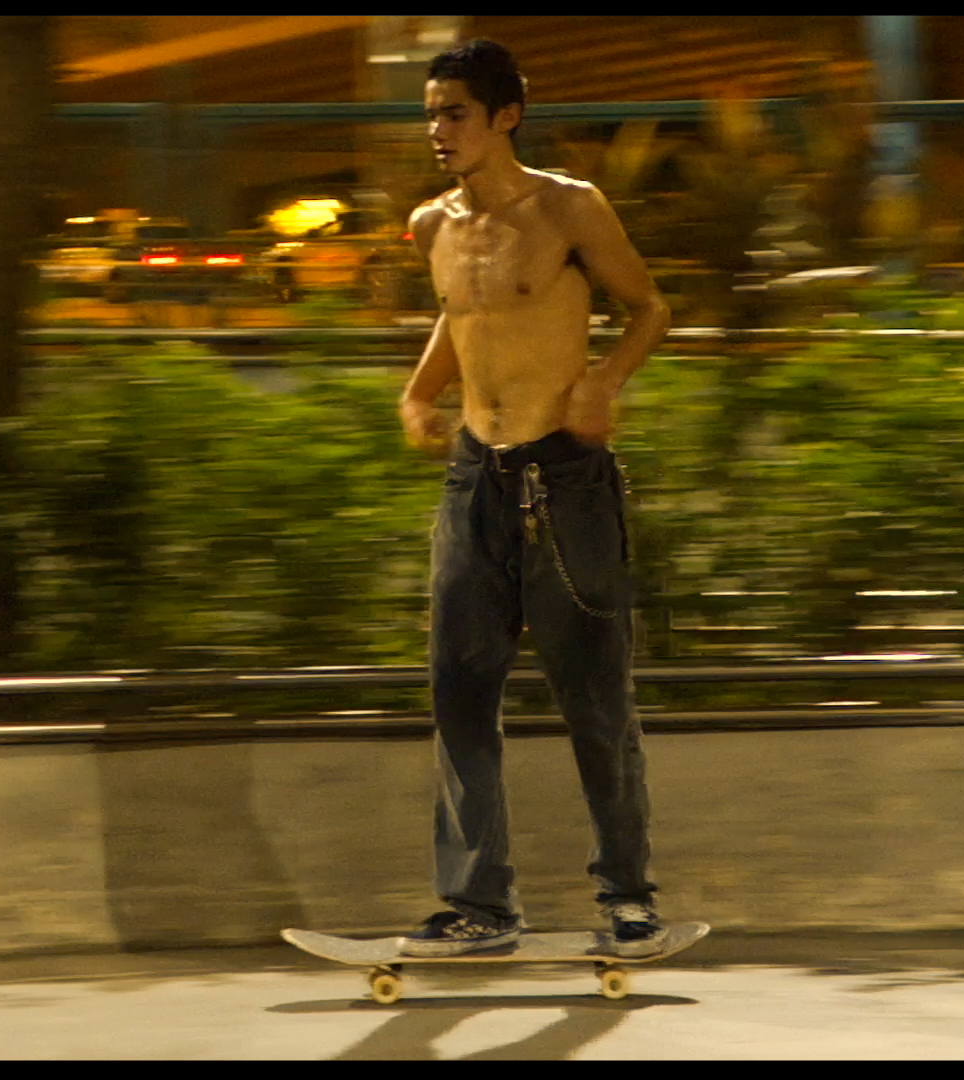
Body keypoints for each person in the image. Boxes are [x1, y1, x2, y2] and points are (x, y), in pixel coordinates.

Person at [394, 39, 676, 959]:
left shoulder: (568, 208)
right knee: (460, 693)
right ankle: (480, 902)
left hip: (565, 477)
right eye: (432, 113)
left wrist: (605, 383)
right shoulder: (431, 226)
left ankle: (629, 897)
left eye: (455, 113)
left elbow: (648, 307)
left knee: (593, 695)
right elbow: (464, 314)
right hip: (476, 476)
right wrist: (419, 392)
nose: (438, 130)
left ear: (505, 115)